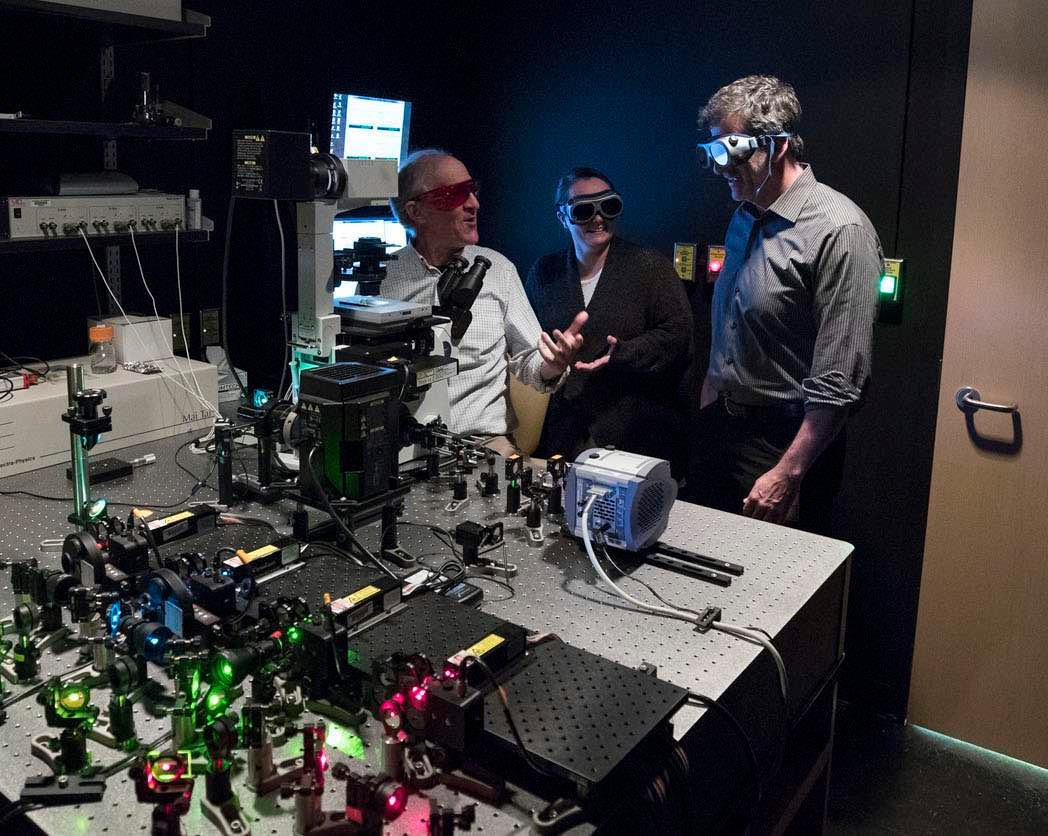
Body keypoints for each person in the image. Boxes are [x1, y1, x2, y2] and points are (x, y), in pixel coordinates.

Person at [689, 75, 881, 534]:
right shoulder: (745, 215)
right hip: (723, 430)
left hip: (785, 447)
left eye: (731, 150)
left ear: (776, 146)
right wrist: (708, 417)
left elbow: (841, 378)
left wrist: (788, 473)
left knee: (769, 593)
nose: (720, 167)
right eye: (714, 149)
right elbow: (730, 330)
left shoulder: (840, 230)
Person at [383, 149, 585, 456]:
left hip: (484, 446)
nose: (474, 204)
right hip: (405, 448)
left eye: (473, 191)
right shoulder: (381, 280)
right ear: (416, 211)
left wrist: (553, 364)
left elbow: (531, 360)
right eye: (456, 194)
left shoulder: (498, 269)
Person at [524, 167, 693, 471]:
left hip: (633, 432)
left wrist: (622, 353)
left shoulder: (648, 266)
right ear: (563, 216)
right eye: (584, 210)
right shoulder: (544, 273)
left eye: (608, 206)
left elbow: (679, 334)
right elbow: (525, 344)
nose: (598, 218)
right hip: (565, 429)